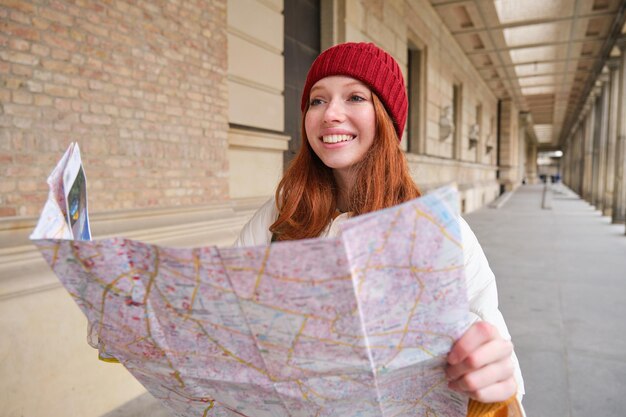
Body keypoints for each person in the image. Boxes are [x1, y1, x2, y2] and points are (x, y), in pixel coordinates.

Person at [235, 42, 524, 416]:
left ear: (387, 119)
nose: (330, 114)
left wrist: (495, 378)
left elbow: (499, 367)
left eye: (355, 97)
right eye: (317, 101)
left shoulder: (441, 231)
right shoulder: (278, 216)